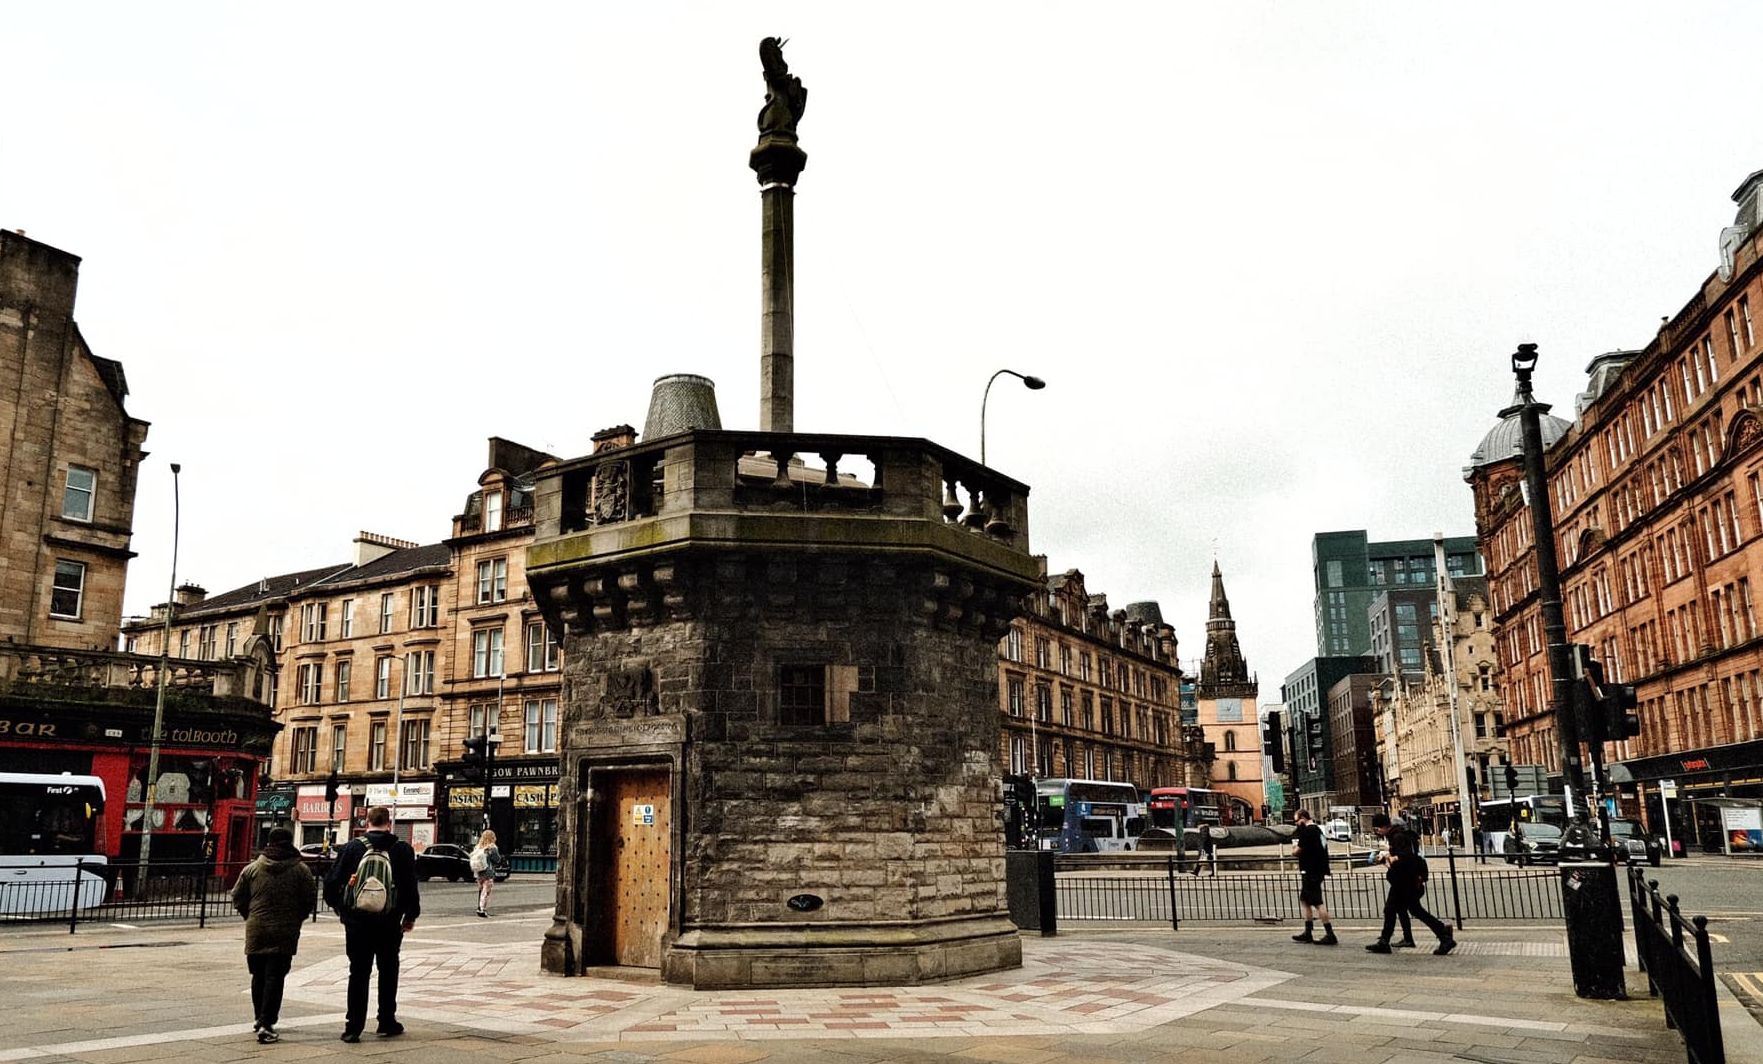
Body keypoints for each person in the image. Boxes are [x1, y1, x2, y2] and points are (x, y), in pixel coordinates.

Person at [324, 807, 420, 1042]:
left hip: (357, 923)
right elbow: (410, 887)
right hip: (389, 922)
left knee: (358, 972)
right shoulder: (402, 849)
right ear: (389, 823)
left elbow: (331, 884)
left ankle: (353, 1027)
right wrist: (410, 916)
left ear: (367, 822)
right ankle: (387, 1020)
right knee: (388, 970)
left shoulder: (352, 848)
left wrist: (342, 910)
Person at [231, 827, 317, 1044]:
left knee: (258, 975)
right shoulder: (301, 870)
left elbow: (237, 896)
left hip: (256, 929)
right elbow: (309, 900)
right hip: (285, 930)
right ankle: (267, 1022)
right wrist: (298, 918)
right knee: (275, 977)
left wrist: (249, 915)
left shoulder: (252, 868)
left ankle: (259, 1018)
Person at [1366, 813, 1455, 956]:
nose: (1377, 832)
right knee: (1412, 910)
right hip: (1406, 880)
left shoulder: (1398, 837)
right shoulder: (1399, 835)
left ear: (1383, 826)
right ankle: (1443, 933)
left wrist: (1390, 858)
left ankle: (1384, 942)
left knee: (1392, 910)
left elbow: (1406, 857)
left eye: (1377, 829)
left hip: (1404, 881)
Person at [1289, 810, 1337, 945]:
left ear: (1303, 818)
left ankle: (1330, 934)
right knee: (1304, 900)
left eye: (1297, 821)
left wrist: (1294, 849)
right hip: (1318, 870)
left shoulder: (1307, 832)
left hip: (1310, 871)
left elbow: (1297, 852)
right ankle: (1308, 931)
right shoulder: (1318, 830)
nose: (1297, 824)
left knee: (1317, 902)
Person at [470, 829, 502, 918]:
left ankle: (479, 907)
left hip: (479, 872)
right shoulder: (492, 848)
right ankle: (482, 909)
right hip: (488, 871)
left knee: (481, 891)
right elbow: (497, 860)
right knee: (486, 892)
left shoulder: (478, 847)